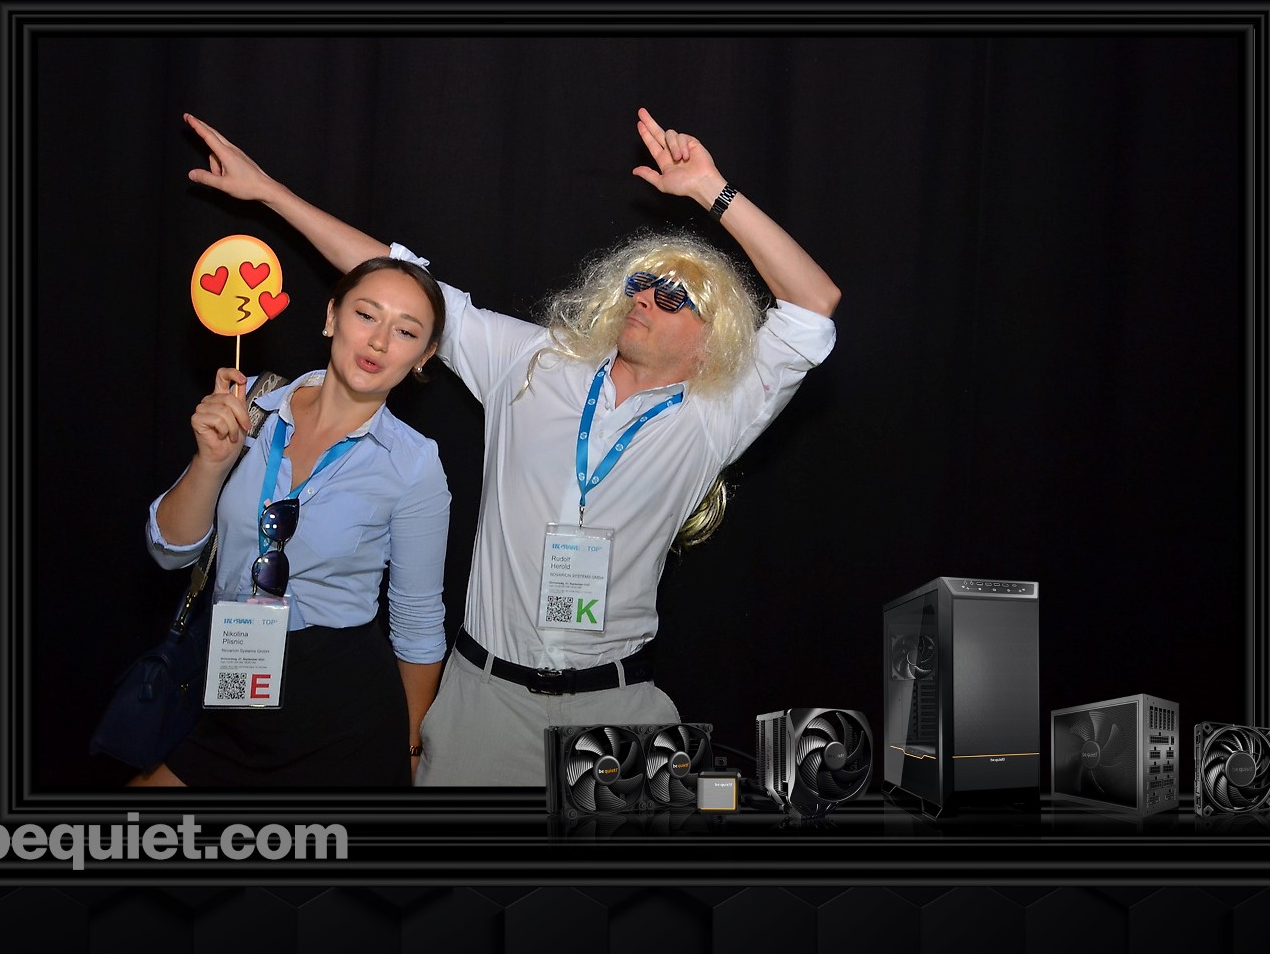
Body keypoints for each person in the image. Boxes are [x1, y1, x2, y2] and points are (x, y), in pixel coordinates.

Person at [181, 107, 839, 785]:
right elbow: (401, 285)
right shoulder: (533, 362)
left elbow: (814, 302)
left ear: (712, 339)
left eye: (674, 297)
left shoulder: (716, 416)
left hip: (618, 708)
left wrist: (709, 190)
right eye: (641, 284)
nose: (645, 298)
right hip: (482, 705)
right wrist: (270, 194)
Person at [131, 256, 452, 787]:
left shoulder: (414, 462)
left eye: (405, 331)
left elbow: (418, 623)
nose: (378, 341)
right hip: (233, 677)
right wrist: (210, 462)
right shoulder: (252, 405)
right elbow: (168, 552)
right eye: (366, 315)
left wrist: (411, 745)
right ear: (331, 316)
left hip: (340, 705)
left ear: (424, 356)